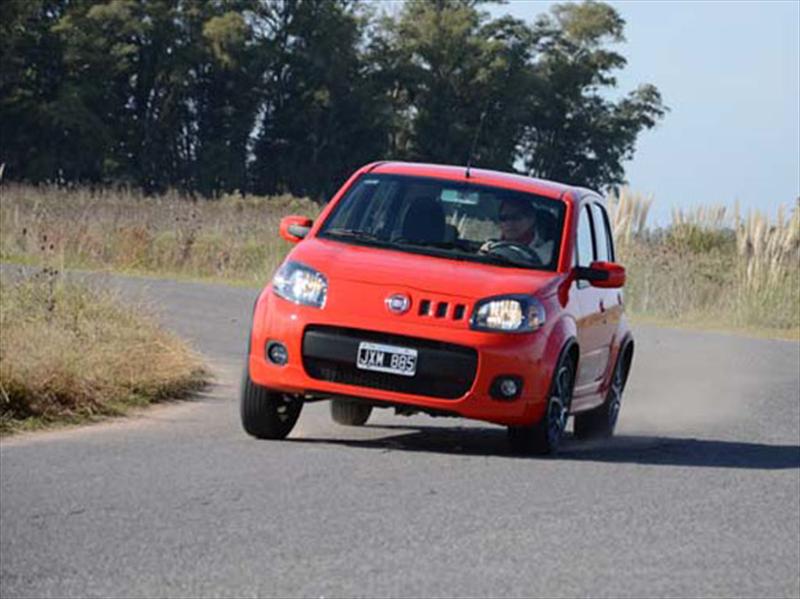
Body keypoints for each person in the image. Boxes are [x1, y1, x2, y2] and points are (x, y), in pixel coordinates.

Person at [497, 197, 554, 266]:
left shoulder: (548, 253)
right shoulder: (488, 247)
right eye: (504, 218)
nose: (509, 223)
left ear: (531, 219)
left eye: (516, 217)